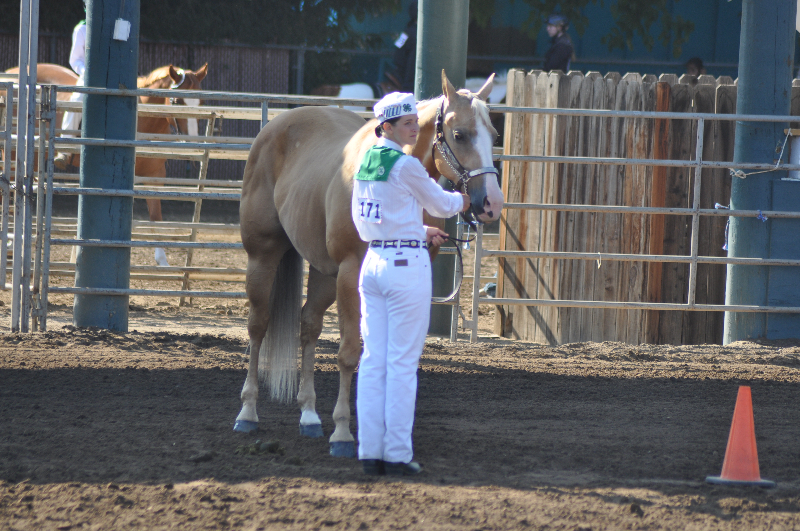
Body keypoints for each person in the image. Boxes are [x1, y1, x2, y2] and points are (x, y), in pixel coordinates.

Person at [351, 92, 469, 476]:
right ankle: (398, 455)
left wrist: (417, 230)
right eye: (406, 123)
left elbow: (369, 222)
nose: (414, 128)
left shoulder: (366, 162)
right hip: (405, 269)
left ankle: (370, 452)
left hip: (374, 263)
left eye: (414, 121)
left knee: (373, 362)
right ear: (386, 126)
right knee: (402, 364)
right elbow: (440, 204)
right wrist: (463, 200)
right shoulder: (406, 165)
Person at [54, 4, 87, 171]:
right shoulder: (82, 29)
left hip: (112, 77)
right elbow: (75, 60)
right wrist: (87, 73)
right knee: (76, 101)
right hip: (88, 78)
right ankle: (65, 151)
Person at [386, 1, 417, 93]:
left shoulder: (406, 33)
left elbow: (397, 54)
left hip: (405, 79)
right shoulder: (411, 33)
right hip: (408, 82)